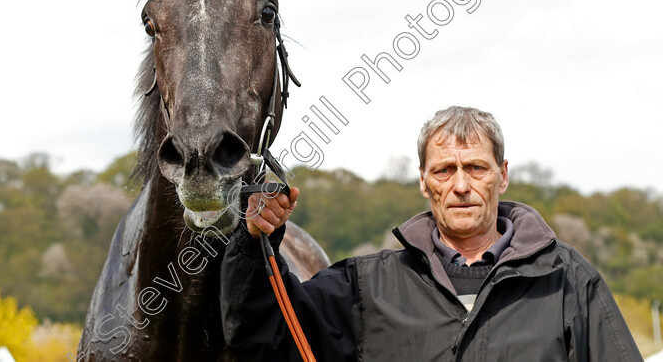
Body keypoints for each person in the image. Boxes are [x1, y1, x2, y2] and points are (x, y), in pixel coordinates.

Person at [220, 106, 642, 361]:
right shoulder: (367, 290)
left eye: (476, 167)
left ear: (503, 175)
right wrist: (254, 239)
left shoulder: (568, 281)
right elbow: (263, 336)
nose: (461, 186)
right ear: (424, 181)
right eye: (444, 170)